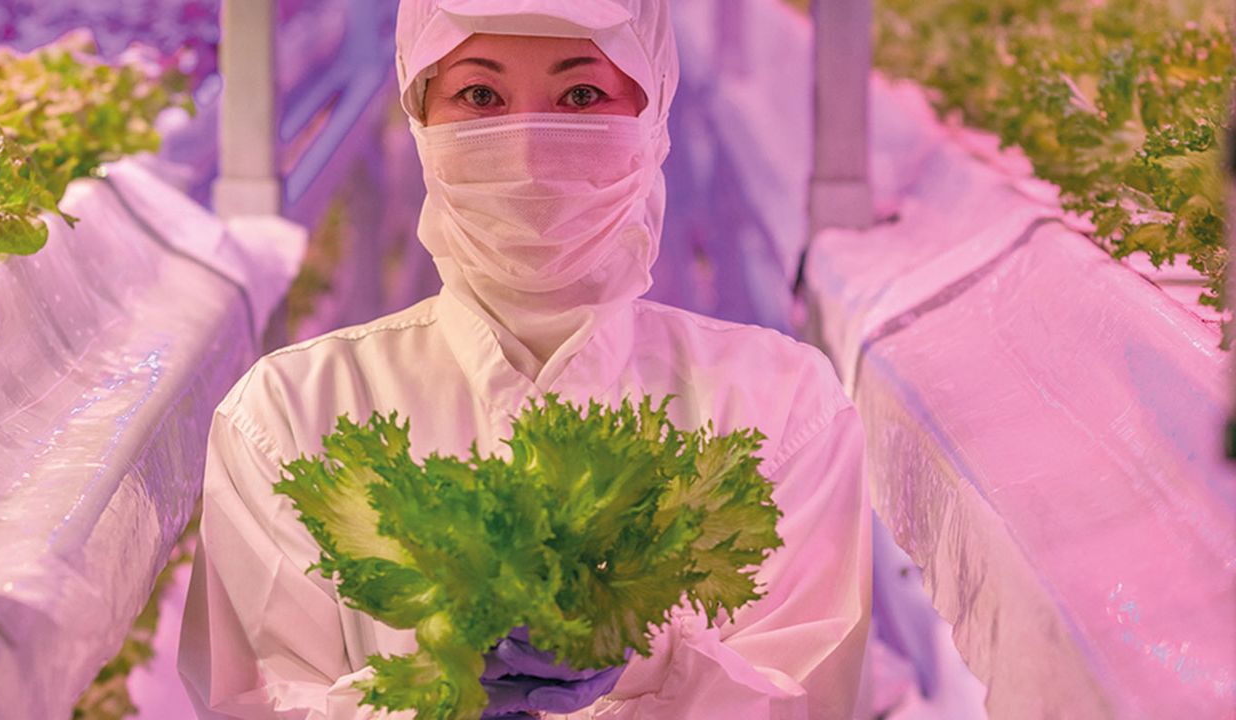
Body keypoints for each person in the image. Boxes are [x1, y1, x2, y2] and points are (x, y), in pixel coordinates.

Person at [178, 0, 871, 717]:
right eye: (480, 96)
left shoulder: (783, 407)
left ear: (652, 113)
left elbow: (803, 694)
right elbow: (258, 699)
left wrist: (648, 663)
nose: (529, 151)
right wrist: (438, 693)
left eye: (581, 95)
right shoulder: (288, 414)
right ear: (419, 116)